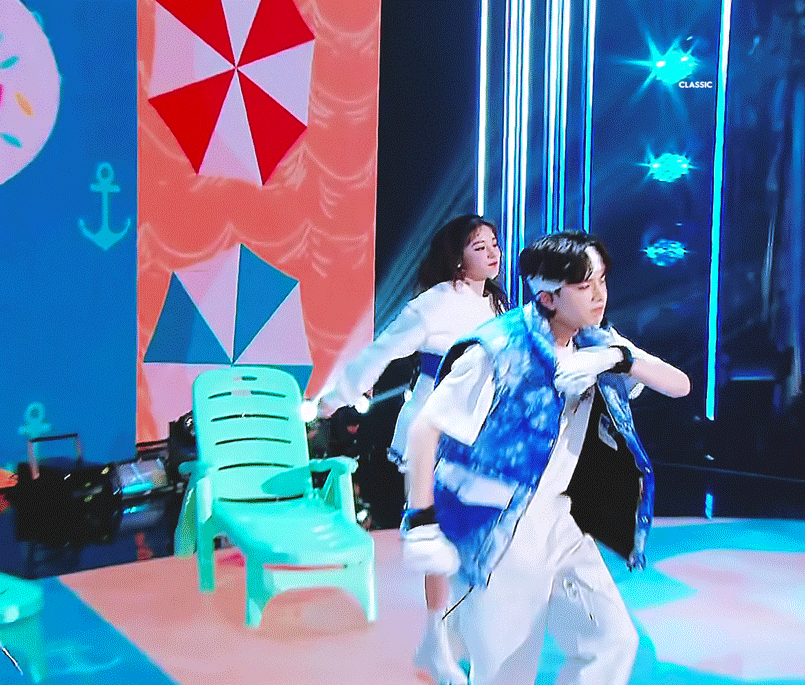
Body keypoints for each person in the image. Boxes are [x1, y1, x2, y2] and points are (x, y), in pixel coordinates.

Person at [402, 231, 690, 685]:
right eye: (584, 285)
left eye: (602, 281)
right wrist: (421, 521)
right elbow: (425, 428)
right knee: (507, 672)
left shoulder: (596, 341)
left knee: (612, 642)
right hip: (502, 524)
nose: (599, 296)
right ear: (548, 296)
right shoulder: (499, 349)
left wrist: (617, 358)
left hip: (560, 521)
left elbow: (679, 385)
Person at [318, 214, 508, 685]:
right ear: (457, 258)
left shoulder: (499, 305)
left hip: (481, 434)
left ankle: (455, 636)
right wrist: (336, 397)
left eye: (493, 243)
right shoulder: (432, 304)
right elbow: (380, 352)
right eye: (479, 246)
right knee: (438, 541)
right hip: (434, 433)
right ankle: (437, 644)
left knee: (480, 537)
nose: (492, 252)